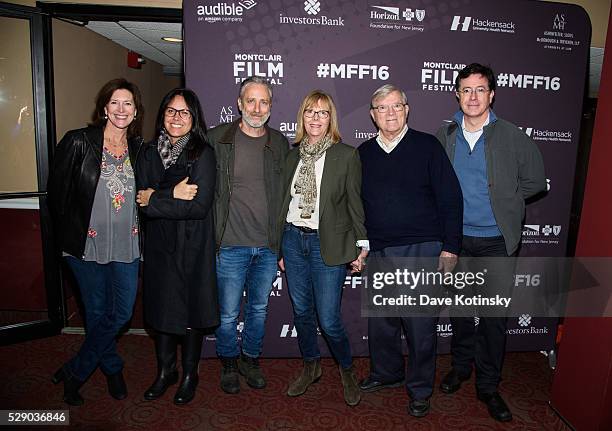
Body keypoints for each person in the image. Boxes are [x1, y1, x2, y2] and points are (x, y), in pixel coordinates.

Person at [436, 63, 546, 422]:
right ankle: (461, 368)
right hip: (457, 242)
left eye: (480, 89)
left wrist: (504, 199)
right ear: (457, 93)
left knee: (494, 318)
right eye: (466, 89)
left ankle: (488, 385)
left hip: (496, 243)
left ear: (492, 94)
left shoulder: (512, 135)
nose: (472, 96)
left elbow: (534, 182)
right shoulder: (445, 135)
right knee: (462, 313)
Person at [357, 84, 463, 417]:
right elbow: (356, 207)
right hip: (379, 250)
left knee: (419, 326)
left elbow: (451, 199)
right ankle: (386, 373)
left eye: (397, 106)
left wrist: (450, 247)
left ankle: (419, 389)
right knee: (382, 323)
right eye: (383, 108)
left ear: (407, 109)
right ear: (373, 115)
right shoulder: (362, 153)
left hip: (423, 248)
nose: (390, 113)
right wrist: (360, 248)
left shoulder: (428, 146)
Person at [47, 78, 144, 406]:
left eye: (128, 104)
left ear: (135, 112)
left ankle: (75, 369)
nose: (121, 109)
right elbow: (57, 197)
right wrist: (70, 240)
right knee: (98, 311)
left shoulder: (139, 149)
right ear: (104, 108)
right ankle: (111, 367)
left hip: (127, 246)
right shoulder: (78, 142)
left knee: (121, 313)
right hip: (86, 248)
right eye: (115, 103)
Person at [278, 90, 368, 407]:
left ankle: (346, 370)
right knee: (302, 312)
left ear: (331, 119)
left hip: (326, 244)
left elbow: (356, 205)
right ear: (302, 117)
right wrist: (279, 248)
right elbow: (282, 204)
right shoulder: (292, 156)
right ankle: (311, 365)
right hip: (292, 239)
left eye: (323, 112)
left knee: (328, 319)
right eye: (310, 112)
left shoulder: (346, 155)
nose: (316, 118)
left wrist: (362, 245)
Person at [136, 88, 218, 405]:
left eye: (184, 112)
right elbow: (140, 201)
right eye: (170, 111)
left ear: (194, 118)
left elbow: (198, 207)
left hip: (191, 248)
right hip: (158, 246)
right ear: (162, 115)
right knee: (161, 312)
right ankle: (164, 371)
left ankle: (188, 374)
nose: (176, 118)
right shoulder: (147, 152)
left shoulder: (202, 154)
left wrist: (157, 197)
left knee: (190, 314)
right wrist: (170, 196)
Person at [208, 77, 288, 394]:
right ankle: (228, 362)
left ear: (270, 106)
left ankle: (250, 359)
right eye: (250, 101)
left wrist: (281, 245)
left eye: (264, 102)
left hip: (267, 248)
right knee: (227, 314)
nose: (257, 108)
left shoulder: (280, 143)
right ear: (239, 104)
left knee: (258, 311)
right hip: (229, 246)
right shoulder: (217, 139)